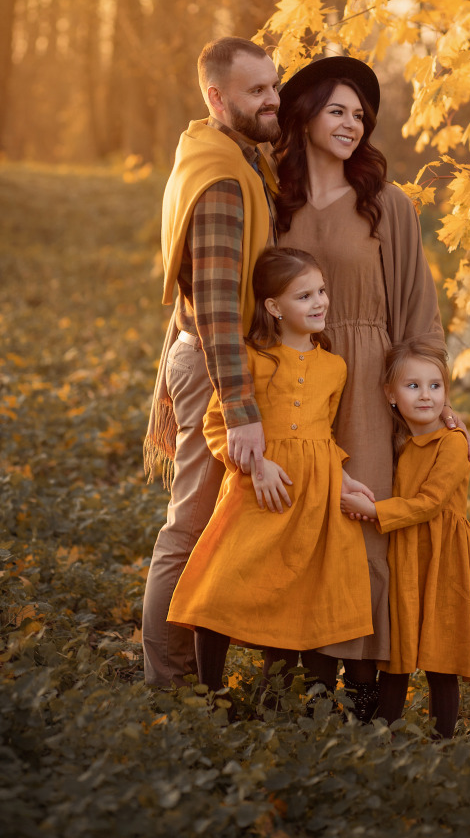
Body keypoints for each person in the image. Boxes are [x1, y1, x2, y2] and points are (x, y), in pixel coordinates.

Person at [274, 55, 470, 718]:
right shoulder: (274, 200)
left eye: (361, 115)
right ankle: (301, 675)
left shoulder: (387, 205)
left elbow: (418, 311)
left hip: (368, 386)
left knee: (361, 527)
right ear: (303, 115)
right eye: (338, 110)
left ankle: (364, 684)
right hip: (296, 383)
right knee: (298, 524)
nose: (353, 124)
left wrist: (429, 400)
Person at [167, 248, 373, 700]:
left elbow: (323, 434)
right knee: (218, 584)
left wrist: (340, 476)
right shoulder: (251, 359)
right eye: (304, 296)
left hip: (314, 493)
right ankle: (209, 693)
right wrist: (256, 465)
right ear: (274, 308)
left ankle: (275, 701)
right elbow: (216, 424)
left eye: (321, 291)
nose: (319, 302)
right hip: (257, 488)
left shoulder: (335, 367)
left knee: (301, 590)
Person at [142, 37, 281, 688]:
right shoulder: (224, 178)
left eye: (274, 86)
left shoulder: (221, 153)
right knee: (191, 521)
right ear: (216, 97)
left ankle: (185, 673)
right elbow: (218, 308)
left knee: (202, 519)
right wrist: (242, 410)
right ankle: (170, 683)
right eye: (256, 91)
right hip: (212, 362)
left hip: (203, 357)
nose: (272, 99)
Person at [341, 339, 470, 739]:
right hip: (407, 554)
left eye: (435, 386)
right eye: (412, 386)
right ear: (390, 394)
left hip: (442, 558)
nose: (426, 395)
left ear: (446, 393)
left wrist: (375, 512)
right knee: (399, 650)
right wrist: (368, 509)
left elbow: (429, 503)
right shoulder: (402, 442)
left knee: (440, 650)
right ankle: (382, 736)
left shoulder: (454, 443)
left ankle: (443, 740)